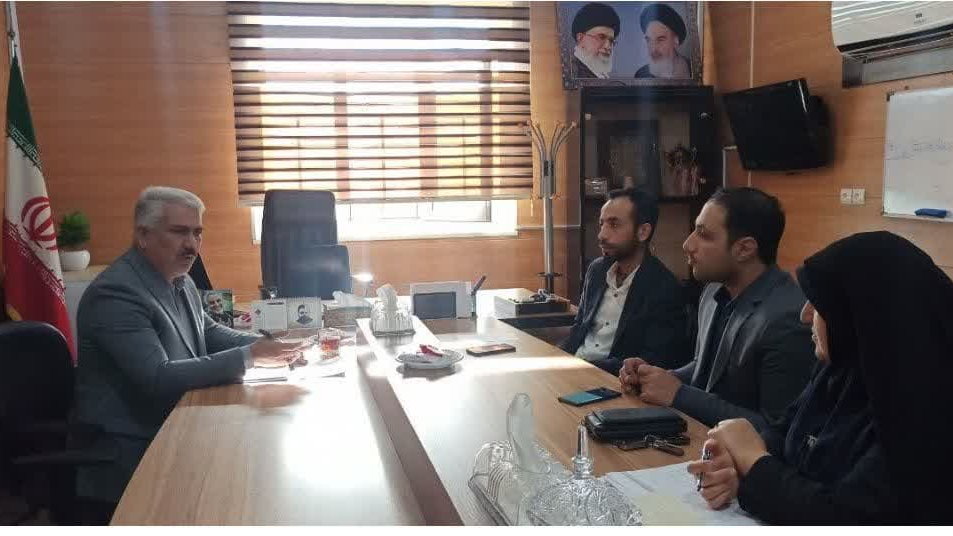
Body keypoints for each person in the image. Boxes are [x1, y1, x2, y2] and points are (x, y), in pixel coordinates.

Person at [688, 231, 953, 524]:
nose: (804, 315)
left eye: (819, 305)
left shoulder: (926, 409)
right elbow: (785, 437)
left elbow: (843, 518)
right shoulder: (842, 367)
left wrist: (753, 461)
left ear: (861, 314)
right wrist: (737, 469)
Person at [74, 186, 306, 516]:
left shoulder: (179, 279)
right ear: (143, 235)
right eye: (179, 232)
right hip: (130, 450)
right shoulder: (116, 293)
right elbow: (158, 377)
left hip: (178, 426)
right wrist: (251, 356)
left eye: (197, 233)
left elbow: (207, 332)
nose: (192, 245)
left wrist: (266, 344)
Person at [619, 188, 815, 429]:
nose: (687, 244)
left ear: (744, 249)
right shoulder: (713, 290)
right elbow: (705, 368)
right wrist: (653, 377)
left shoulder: (788, 319)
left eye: (703, 234)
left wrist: (679, 394)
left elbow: (778, 431)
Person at [561, 188, 688, 375]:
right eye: (602, 224)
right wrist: (556, 358)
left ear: (643, 232)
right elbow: (579, 327)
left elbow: (653, 359)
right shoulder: (596, 271)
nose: (601, 235)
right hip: (573, 369)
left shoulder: (665, 287)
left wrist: (584, 368)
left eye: (614, 224)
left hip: (613, 380)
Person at [634, 3, 691, 79]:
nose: (653, 49)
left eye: (660, 40)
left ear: (676, 40)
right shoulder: (641, 75)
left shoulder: (694, 71)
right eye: (649, 40)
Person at [571, 2, 620, 79]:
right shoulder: (572, 73)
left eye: (611, 41)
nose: (608, 47)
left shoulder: (599, 74)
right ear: (580, 38)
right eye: (601, 37)